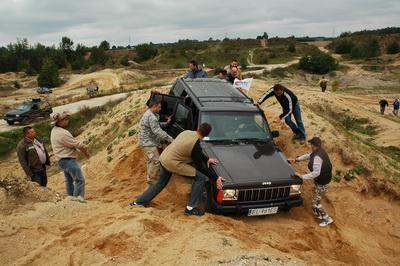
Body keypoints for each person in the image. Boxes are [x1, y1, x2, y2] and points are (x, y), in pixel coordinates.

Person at [131, 123, 225, 216]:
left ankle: (138, 202)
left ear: (198, 128)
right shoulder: (195, 144)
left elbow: (198, 153)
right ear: (206, 135)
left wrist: (207, 159)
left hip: (164, 158)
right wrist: (216, 178)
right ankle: (190, 208)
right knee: (201, 177)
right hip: (172, 163)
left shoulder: (187, 132)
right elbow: (199, 166)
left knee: (160, 183)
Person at [290, 137, 333, 227]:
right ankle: (320, 216)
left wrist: (302, 176)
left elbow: (316, 173)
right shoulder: (319, 152)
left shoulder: (317, 157)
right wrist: (297, 159)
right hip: (321, 181)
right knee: (316, 202)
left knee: (315, 203)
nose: (310, 146)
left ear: (315, 146)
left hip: (322, 183)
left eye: (312, 144)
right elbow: (308, 156)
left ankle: (327, 219)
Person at [50, 111, 90, 203]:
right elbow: (77, 145)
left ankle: (70, 198)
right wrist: (86, 153)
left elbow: (71, 145)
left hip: (62, 160)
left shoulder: (54, 130)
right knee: (79, 180)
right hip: (68, 160)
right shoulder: (63, 133)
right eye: (66, 119)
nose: (68, 121)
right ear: (60, 121)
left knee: (69, 180)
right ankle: (78, 199)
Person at [139, 99, 174, 185]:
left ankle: (150, 176)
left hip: (146, 141)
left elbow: (155, 126)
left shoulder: (151, 114)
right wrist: (171, 139)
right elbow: (157, 131)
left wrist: (166, 123)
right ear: (154, 106)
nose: (160, 109)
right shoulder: (151, 117)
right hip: (148, 142)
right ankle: (152, 180)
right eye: (159, 107)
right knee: (156, 161)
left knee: (151, 160)